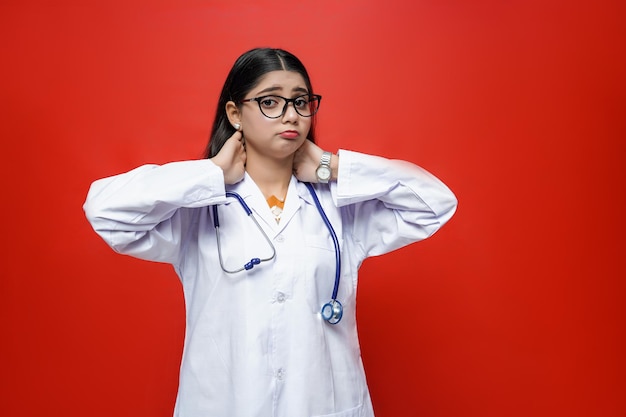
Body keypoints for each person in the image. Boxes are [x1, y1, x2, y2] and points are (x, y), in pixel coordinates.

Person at [84, 47, 457, 417]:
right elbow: (105, 212)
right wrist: (211, 174)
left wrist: (332, 166)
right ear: (235, 114)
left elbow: (434, 203)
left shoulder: (338, 206)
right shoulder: (199, 207)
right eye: (270, 102)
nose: (289, 115)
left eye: (299, 101)